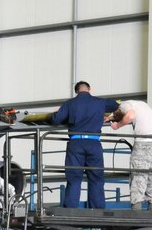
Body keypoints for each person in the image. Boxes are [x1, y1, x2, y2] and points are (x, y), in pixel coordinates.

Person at [51, 81, 120, 209]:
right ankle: (97, 210)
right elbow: (117, 105)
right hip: (94, 144)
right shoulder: (100, 102)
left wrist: (56, 112)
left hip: (76, 143)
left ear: (76, 91)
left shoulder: (70, 103)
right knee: (96, 178)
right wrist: (109, 117)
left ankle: (71, 210)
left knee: (74, 178)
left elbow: (56, 119)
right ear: (89, 89)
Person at [107, 100, 152, 210]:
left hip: (144, 143)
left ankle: (136, 210)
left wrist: (117, 125)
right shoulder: (141, 104)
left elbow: (130, 116)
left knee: (138, 176)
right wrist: (111, 118)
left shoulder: (124, 105)